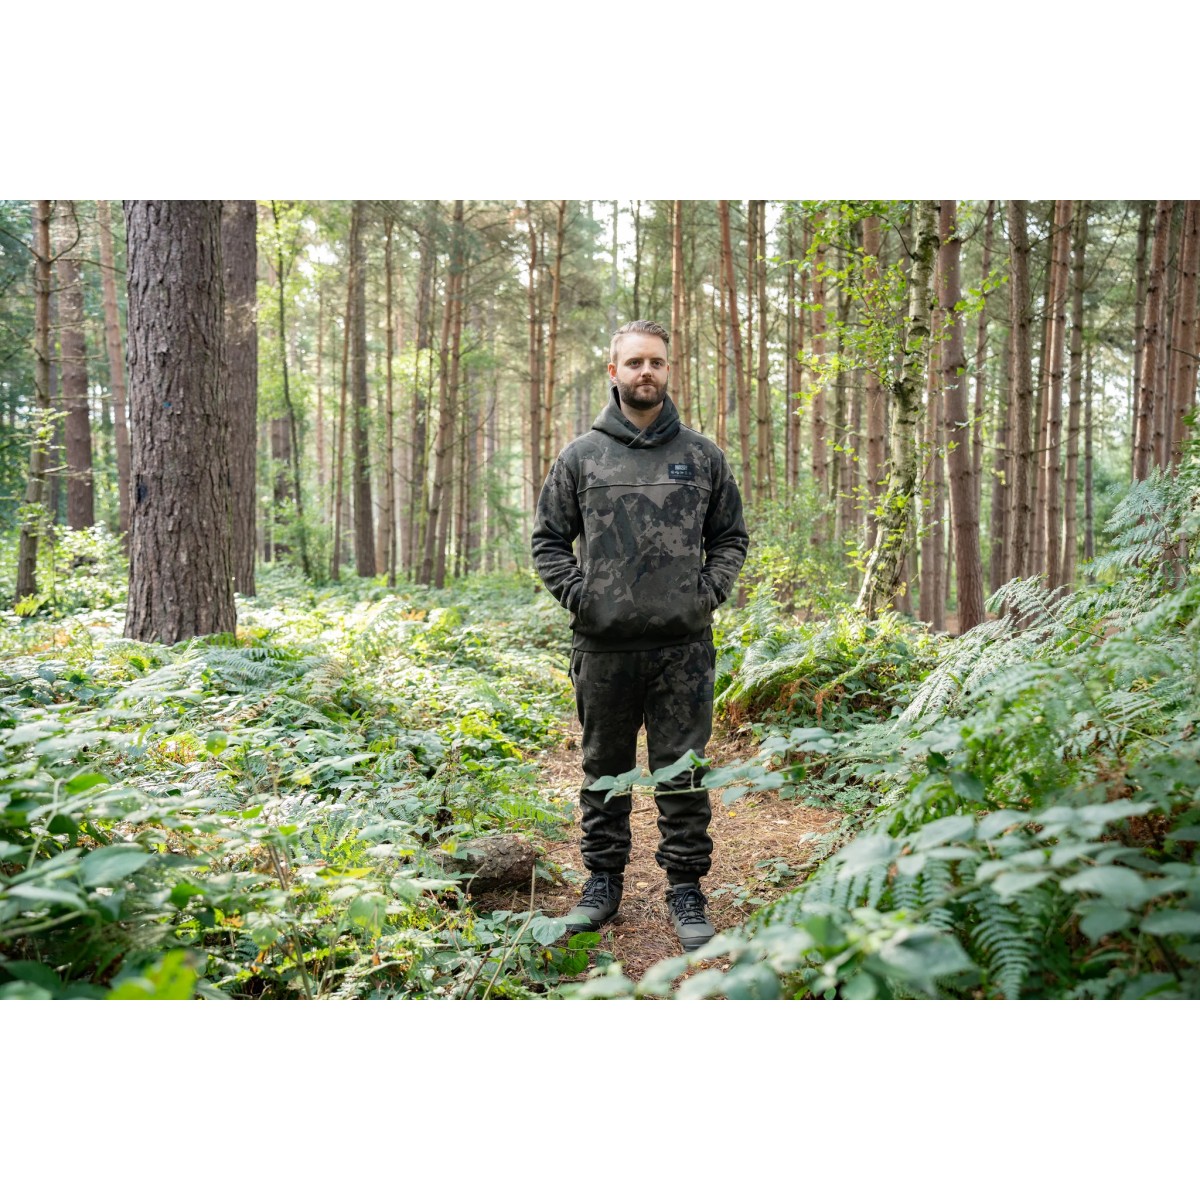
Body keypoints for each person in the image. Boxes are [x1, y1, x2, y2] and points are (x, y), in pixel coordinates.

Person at [531, 319, 749, 952]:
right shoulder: (581, 457)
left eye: (655, 361)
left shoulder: (703, 457)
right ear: (614, 372)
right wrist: (584, 599)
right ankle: (602, 883)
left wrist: (704, 595)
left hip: (683, 650)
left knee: (682, 772)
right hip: (603, 650)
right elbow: (549, 541)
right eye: (634, 363)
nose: (645, 372)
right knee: (605, 770)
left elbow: (730, 538)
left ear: (668, 370)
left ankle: (686, 887)